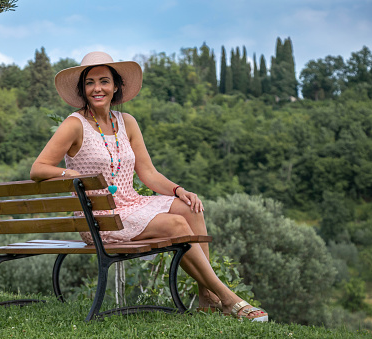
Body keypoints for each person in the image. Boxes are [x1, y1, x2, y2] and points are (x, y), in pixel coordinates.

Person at [30, 51, 268, 322]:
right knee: (176, 226)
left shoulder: (127, 122)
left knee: (191, 209)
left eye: (104, 81)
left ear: (116, 86)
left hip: (130, 204)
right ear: (82, 89)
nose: (97, 88)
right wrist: (69, 172)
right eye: (90, 82)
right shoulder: (75, 124)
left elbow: (148, 174)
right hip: (98, 217)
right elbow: (38, 168)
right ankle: (229, 299)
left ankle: (207, 297)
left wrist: (179, 190)